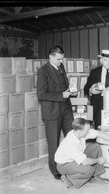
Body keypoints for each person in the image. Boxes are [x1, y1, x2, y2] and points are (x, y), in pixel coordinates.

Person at [37, 46, 75, 180]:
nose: (61, 61)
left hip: (66, 109)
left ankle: (72, 165)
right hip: (52, 112)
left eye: (62, 59)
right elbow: (42, 94)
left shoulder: (61, 67)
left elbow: (63, 85)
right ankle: (56, 171)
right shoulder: (43, 71)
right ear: (51, 57)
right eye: (59, 59)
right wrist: (61, 95)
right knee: (54, 143)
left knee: (72, 138)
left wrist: (70, 91)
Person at [55, 118, 109, 189]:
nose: (88, 132)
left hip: (75, 158)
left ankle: (95, 176)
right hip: (64, 165)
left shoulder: (80, 133)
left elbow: (100, 134)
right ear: (79, 131)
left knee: (95, 147)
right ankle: (67, 177)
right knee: (89, 170)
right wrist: (98, 160)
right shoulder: (69, 143)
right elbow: (85, 162)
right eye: (86, 131)